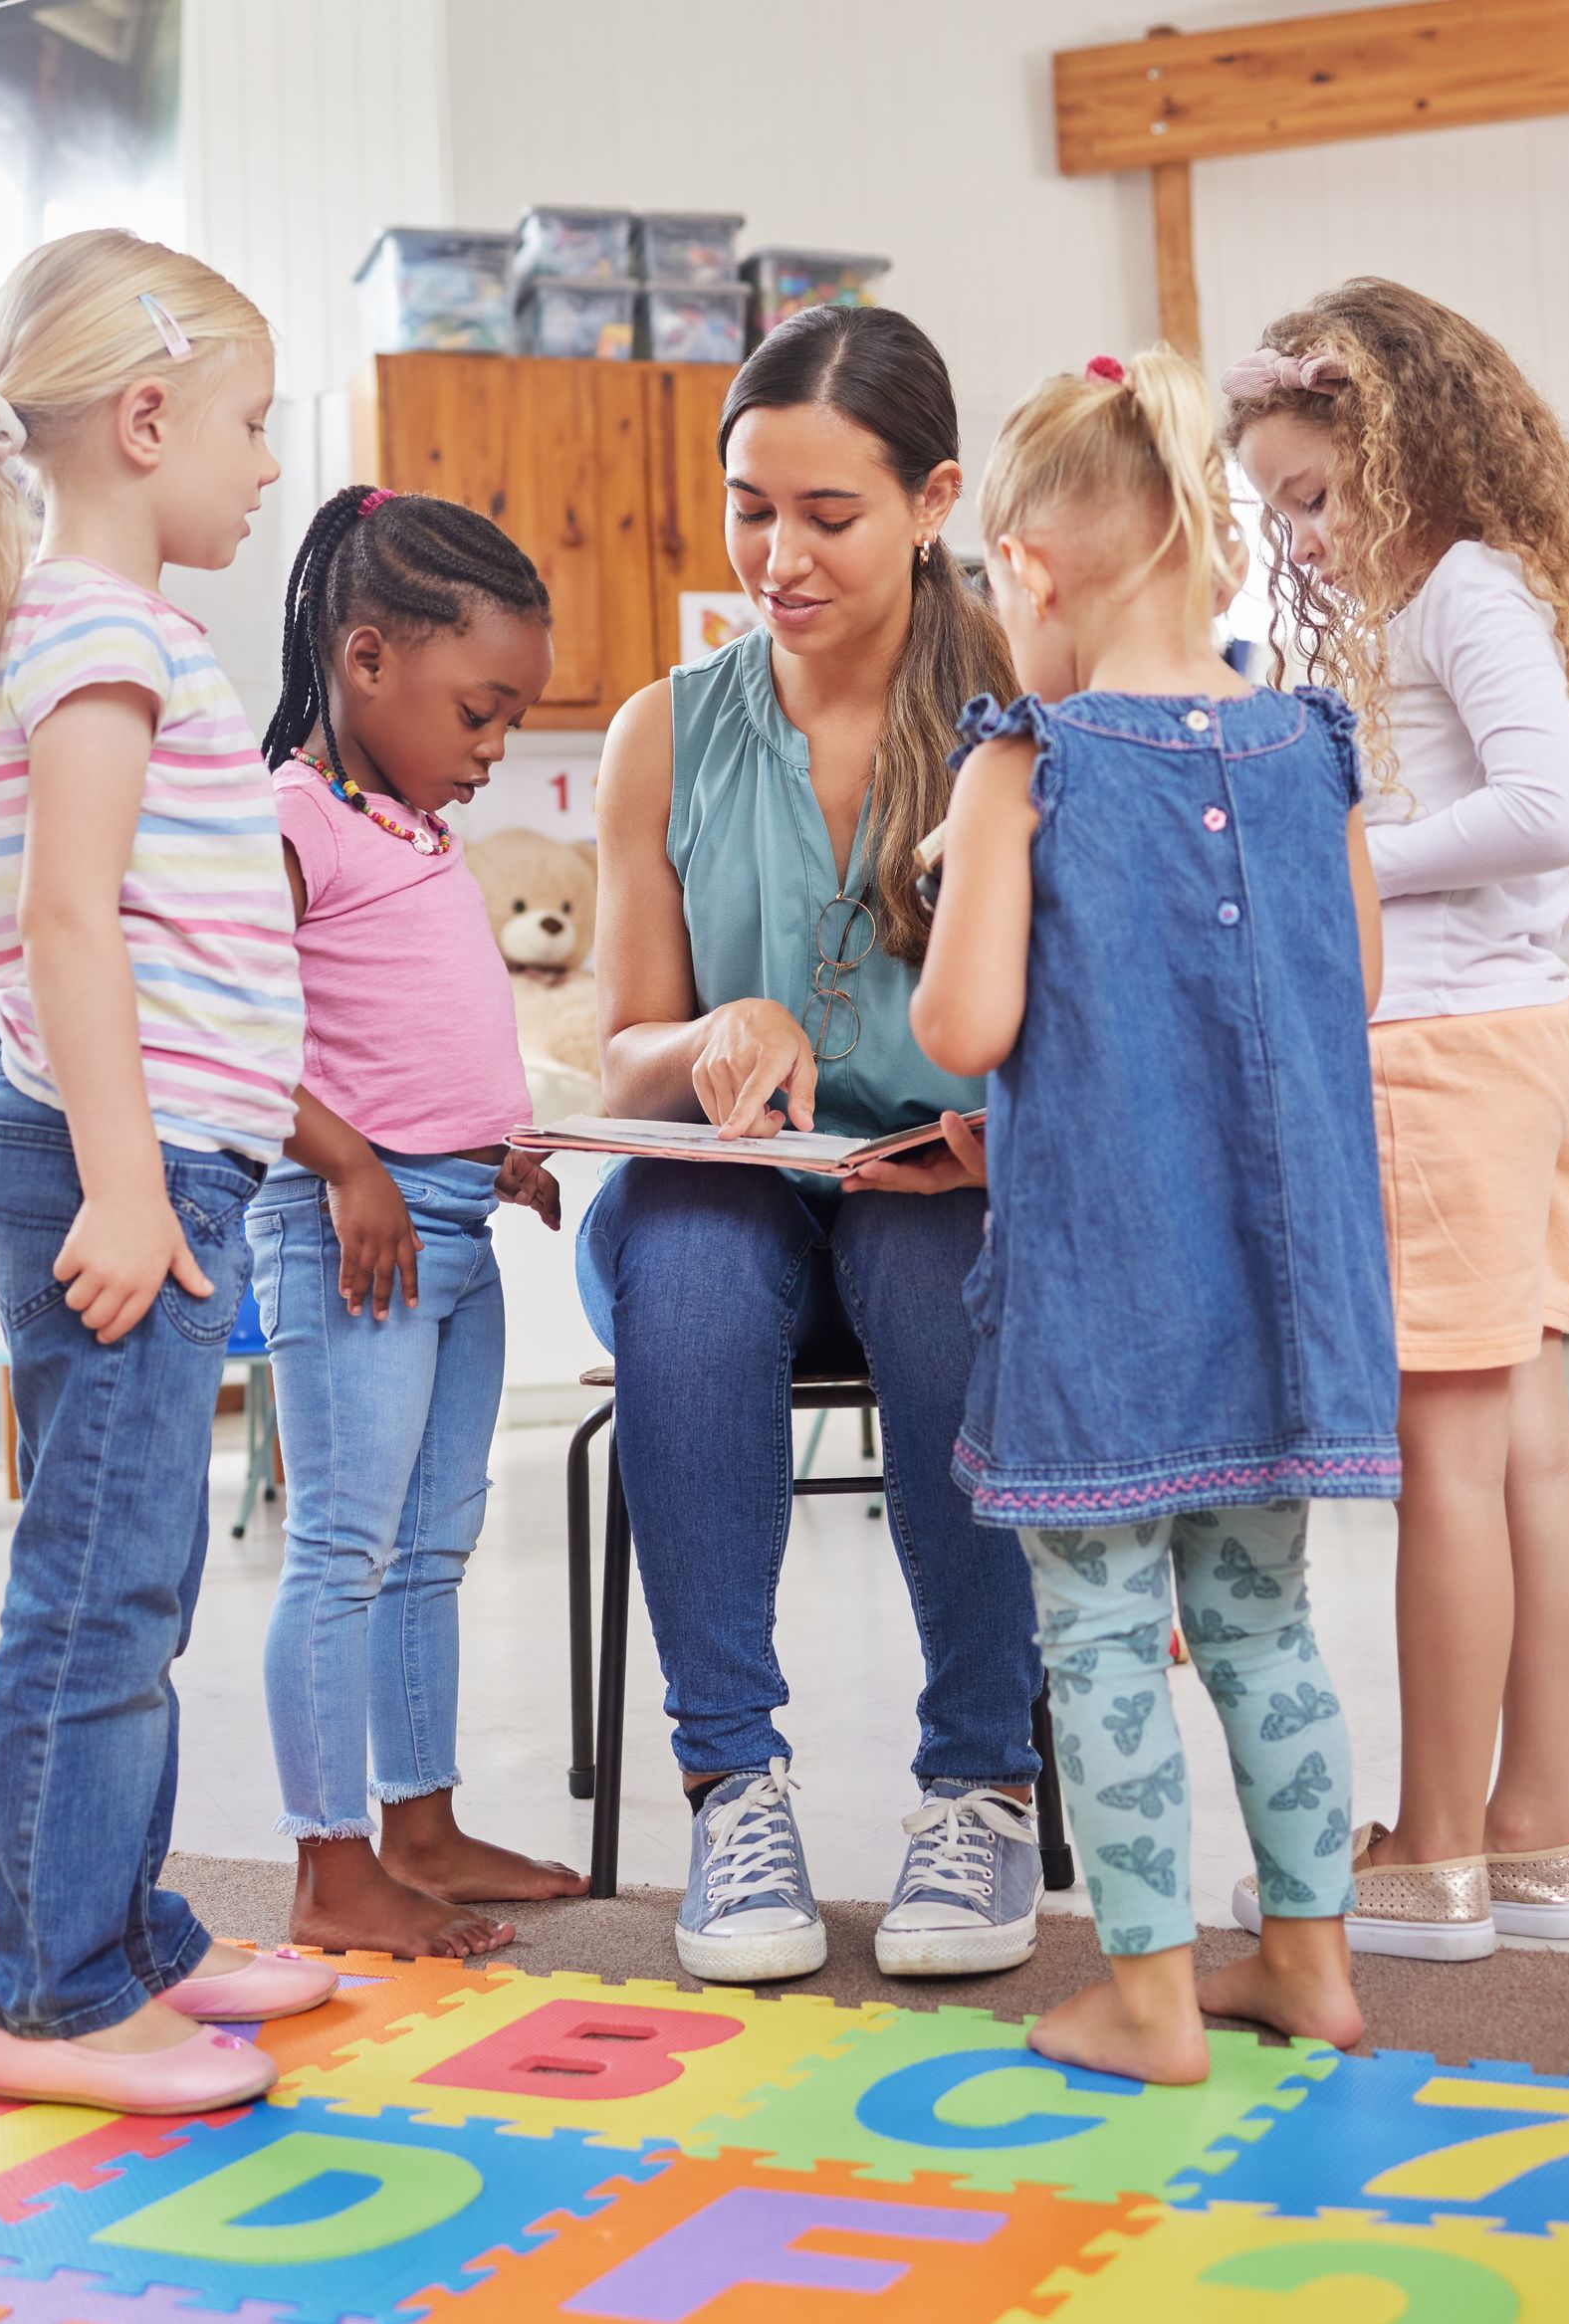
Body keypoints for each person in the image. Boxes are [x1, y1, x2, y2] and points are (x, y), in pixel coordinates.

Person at [0, 229, 337, 2113]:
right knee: (97, 1580)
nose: (266, 463)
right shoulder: (96, 631)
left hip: (151, 1161)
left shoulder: (110, 628)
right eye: (249, 424)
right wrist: (132, 1185)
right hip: (113, 1167)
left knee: (135, 1572)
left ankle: (124, 1927)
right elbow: (70, 928)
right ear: (145, 421)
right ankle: (51, 1997)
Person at [914, 347, 1399, 2081]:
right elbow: (1354, 985)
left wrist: (967, 877)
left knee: (1104, 1631)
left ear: (1028, 571)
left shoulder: (1019, 763)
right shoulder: (1311, 746)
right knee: (1269, 1624)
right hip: (1287, 1288)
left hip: (1104, 1292)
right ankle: (1312, 1965)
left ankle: (1145, 1996)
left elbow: (962, 1031)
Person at [1225, 278, 1569, 1959]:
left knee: (1450, 1464)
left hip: (1442, 1061)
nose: (1308, 533)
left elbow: (1550, 811)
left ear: (1406, 446)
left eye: (1320, 494)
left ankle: (1428, 1856)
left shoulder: (1456, 593)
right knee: (1527, 1457)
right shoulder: (1457, 592)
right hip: (1513, 1048)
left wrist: (1337, 856)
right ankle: (1535, 1840)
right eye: (1280, 505)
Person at [584, 305, 1046, 1985]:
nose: (775, 556)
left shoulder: (1025, 712)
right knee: (689, 1268)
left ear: (933, 501)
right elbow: (622, 1051)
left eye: (827, 515)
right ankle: (732, 1784)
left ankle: (981, 1782)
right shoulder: (665, 731)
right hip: (736, 1195)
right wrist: (706, 1034)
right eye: (748, 505)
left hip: (954, 1197)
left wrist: (991, 1136)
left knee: (944, 1276)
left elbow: (1089, 1027)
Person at [249, 484, 586, 1957]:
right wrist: (350, 1167)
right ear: (369, 658)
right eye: (480, 711)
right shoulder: (286, 821)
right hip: (355, 1233)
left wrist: (488, 1154)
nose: (492, 748)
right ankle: (330, 1865)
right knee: (344, 1546)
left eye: (511, 719)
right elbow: (225, 1040)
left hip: (452, 1220)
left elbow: (415, 1035)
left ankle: (420, 1821)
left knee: (436, 1541)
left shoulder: (416, 833)